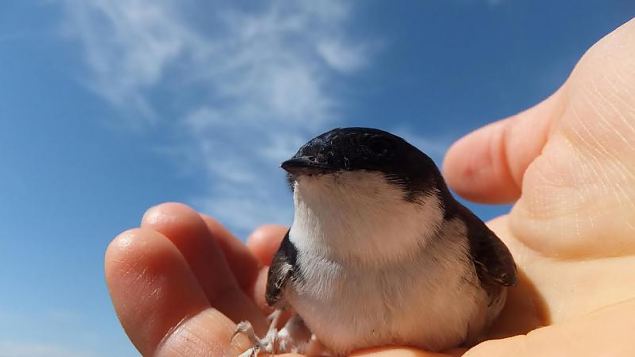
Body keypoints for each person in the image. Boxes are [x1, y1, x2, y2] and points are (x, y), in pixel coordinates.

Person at [105, 18, 635, 357]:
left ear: (422, 191)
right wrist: (280, 336)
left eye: (346, 175)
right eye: (302, 179)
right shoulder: (291, 267)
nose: (309, 180)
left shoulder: (473, 246)